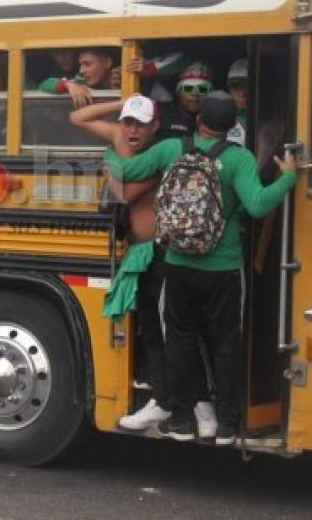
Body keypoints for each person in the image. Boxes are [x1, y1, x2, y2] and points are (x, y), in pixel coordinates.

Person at [117, 91, 296, 445]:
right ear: (233, 126)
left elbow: (125, 169)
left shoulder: (172, 149)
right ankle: (228, 426)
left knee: (179, 342)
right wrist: (288, 177)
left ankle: (182, 421)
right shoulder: (240, 158)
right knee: (226, 344)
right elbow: (259, 206)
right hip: (224, 268)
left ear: (199, 122)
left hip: (178, 264)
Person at [71, 95, 217, 436]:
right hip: (137, 253)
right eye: (128, 122)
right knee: (150, 331)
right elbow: (78, 116)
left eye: (140, 123)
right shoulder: (119, 136)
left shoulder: (164, 153)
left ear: (155, 126)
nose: (132, 130)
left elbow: (123, 194)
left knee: (178, 332)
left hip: (164, 252)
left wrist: (112, 169)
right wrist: (123, 100)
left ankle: (200, 403)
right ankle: (163, 400)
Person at [40, 48, 121, 107]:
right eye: (80, 65)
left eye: (87, 64)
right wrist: (68, 85)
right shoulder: (81, 81)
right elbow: (44, 84)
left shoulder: (121, 77)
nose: (81, 71)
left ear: (107, 62)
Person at [152, 62, 212, 140]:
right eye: (188, 88)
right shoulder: (160, 112)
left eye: (202, 89)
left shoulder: (215, 117)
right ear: (178, 92)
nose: (195, 94)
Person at [225, 58, 249, 146]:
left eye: (247, 86)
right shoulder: (220, 117)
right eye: (235, 86)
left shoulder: (271, 122)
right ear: (229, 89)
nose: (242, 93)